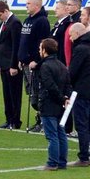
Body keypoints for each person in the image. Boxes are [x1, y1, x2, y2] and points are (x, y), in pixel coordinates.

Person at [67, 23, 90, 167]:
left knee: (82, 125)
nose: (69, 38)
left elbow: (73, 72)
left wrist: (67, 83)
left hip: (81, 92)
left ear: (77, 33)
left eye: (71, 34)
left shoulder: (81, 49)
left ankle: (83, 157)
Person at [34, 38, 70, 170]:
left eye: (40, 48)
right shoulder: (61, 65)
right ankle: (62, 162)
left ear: (45, 50)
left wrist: (61, 98)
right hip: (60, 105)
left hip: (49, 104)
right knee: (61, 134)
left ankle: (52, 162)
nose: (39, 50)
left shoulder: (45, 66)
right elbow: (68, 85)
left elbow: (50, 86)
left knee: (52, 136)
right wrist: (65, 98)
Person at [18, 0, 51, 133]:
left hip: (34, 65)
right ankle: (40, 119)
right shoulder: (27, 20)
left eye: (29, 4)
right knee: (31, 94)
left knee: (37, 94)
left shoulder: (42, 21)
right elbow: (24, 41)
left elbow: (42, 43)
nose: (26, 6)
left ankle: (44, 121)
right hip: (25, 64)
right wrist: (21, 59)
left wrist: (37, 61)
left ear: (37, 5)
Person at [0, 0, 23, 129]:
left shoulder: (15, 23)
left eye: (0, 15)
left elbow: (16, 46)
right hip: (4, 65)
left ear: (6, 11)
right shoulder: (4, 23)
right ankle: (8, 119)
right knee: (6, 94)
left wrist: (14, 65)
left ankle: (15, 120)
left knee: (14, 94)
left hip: (11, 66)